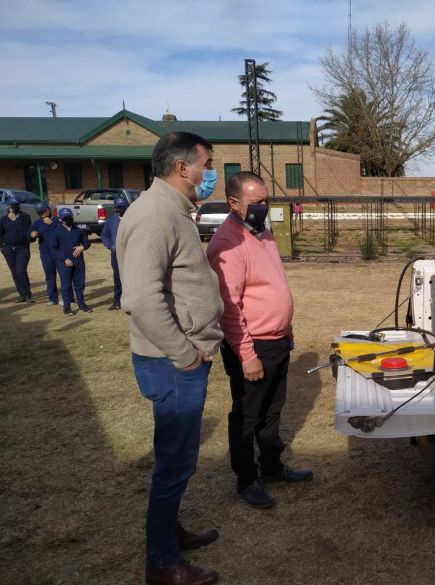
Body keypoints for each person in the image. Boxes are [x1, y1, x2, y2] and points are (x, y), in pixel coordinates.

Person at [116, 132, 223, 585]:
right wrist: (184, 355)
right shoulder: (155, 214)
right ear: (183, 168)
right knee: (175, 463)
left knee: (178, 460)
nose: (211, 173)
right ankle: (161, 566)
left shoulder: (172, 210)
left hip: (180, 357)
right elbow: (140, 298)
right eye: (208, 164)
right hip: (173, 361)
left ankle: (170, 535)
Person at [207, 171, 312, 510]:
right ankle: (246, 478)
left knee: (272, 411)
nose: (264, 207)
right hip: (253, 346)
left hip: (278, 340)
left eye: (266, 200)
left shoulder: (263, 232)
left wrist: (287, 325)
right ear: (234, 203)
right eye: (257, 202)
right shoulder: (227, 243)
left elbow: (272, 282)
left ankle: (270, 467)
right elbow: (229, 306)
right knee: (247, 415)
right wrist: (246, 354)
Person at [51, 207, 92, 316]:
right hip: (64, 263)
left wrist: (82, 247)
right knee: (66, 285)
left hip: (78, 262)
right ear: (60, 219)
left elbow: (87, 242)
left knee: (80, 284)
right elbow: (53, 249)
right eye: (65, 218)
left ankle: (82, 304)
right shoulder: (56, 232)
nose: (68, 219)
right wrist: (64, 259)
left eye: (69, 217)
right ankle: (67, 307)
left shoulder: (78, 230)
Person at [0, 195, 33, 303]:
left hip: (22, 247)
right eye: (13, 205)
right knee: (14, 273)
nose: (15, 207)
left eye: (17, 205)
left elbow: (27, 232)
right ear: (8, 207)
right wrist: (2, 247)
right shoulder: (3, 220)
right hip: (8, 249)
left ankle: (28, 294)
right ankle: (22, 294)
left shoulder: (25, 217)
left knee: (21, 271)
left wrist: (16, 220)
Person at [29, 201, 62, 305]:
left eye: (44, 211)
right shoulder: (37, 223)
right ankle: (52, 298)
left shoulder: (58, 220)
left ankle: (67, 297)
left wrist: (52, 224)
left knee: (64, 275)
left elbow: (64, 231)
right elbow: (29, 235)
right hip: (46, 252)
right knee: (49, 275)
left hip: (59, 251)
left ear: (48, 209)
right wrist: (32, 235)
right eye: (40, 213)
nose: (43, 214)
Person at [101, 195, 128, 310]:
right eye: (118, 207)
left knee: (132, 277)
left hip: (131, 254)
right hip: (116, 254)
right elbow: (104, 235)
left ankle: (132, 301)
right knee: (117, 277)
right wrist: (110, 246)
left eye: (123, 207)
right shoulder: (111, 220)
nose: (120, 209)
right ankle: (117, 301)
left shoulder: (133, 218)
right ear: (115, 208)